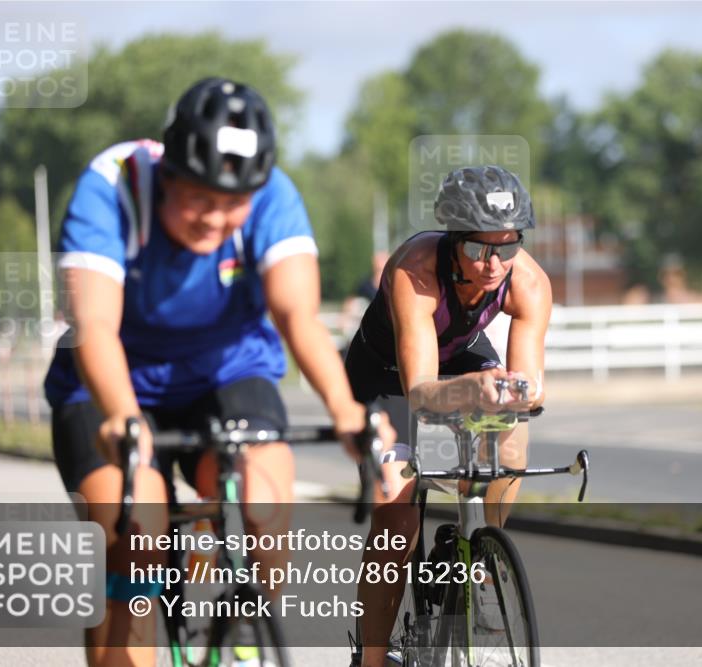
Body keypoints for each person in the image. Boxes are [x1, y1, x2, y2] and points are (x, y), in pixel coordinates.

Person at [43, 77, 393, 667]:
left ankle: (241, 643)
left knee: (263, 507)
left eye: (234, 203)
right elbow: (96, 326)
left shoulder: (273, 194)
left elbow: (296, 315)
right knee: (136, 531)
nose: (215, 218)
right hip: (111, 382)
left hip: (228, 372)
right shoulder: (114, 187)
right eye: (199, 197)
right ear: (168, 173)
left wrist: (345, 410)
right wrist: (124, 417)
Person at [343, 166, 552, 666]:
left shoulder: (528, 281)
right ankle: (370, 658)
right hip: (387, 375)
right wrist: (472, 389)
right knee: (396, 509)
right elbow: (420, 393)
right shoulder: (413, 270)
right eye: (481, 250)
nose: (494, 264)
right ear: (455, 241)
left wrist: (516, 394)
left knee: (512, 434)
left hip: (457, 360)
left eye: (507, 247)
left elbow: (528, 385)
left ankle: (479, 556)